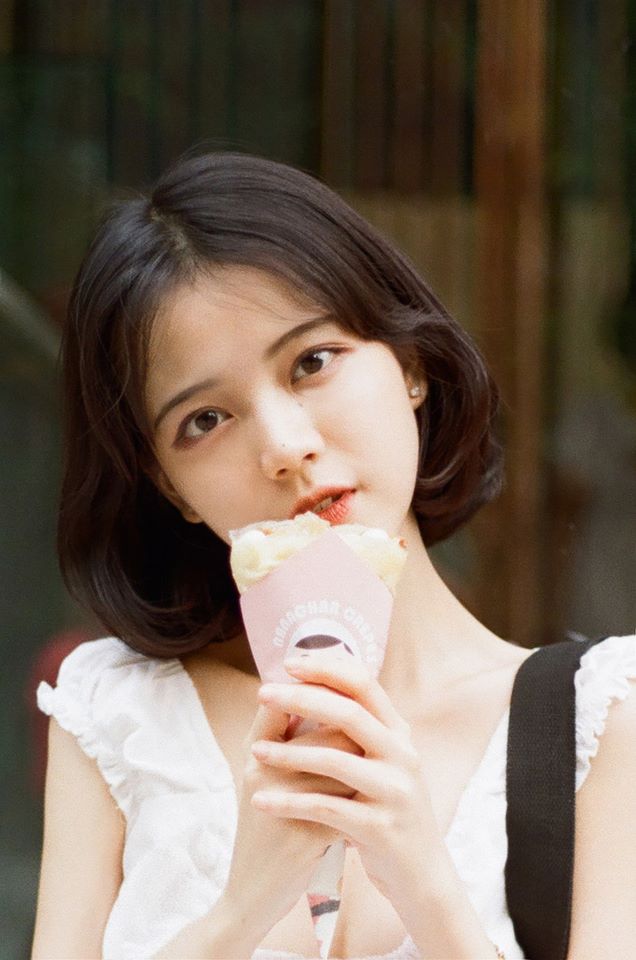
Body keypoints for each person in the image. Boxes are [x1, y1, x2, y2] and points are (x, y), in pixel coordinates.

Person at [31, 152, 636, 960]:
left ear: (410, 364)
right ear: (170, 486)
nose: (285, 447)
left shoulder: (602, 722)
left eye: (311, 362)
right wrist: (240, 910)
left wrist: (426, 884)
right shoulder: (118, 714)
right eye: (206, 419)